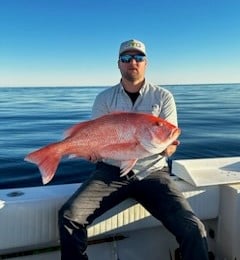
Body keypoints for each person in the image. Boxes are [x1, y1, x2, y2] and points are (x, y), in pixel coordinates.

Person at [58, 39, 209, 260]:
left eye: (138, 58)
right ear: (118, 64)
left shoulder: (163, 97)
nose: (133, 62)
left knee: (193, 228)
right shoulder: (104, 98)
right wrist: (90, 151)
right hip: (109, 172)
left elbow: (170, 144)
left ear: (146, 63)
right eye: (126, 58)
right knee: (69, 216)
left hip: (153, 173)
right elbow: (95, 140)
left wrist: (165, 149)